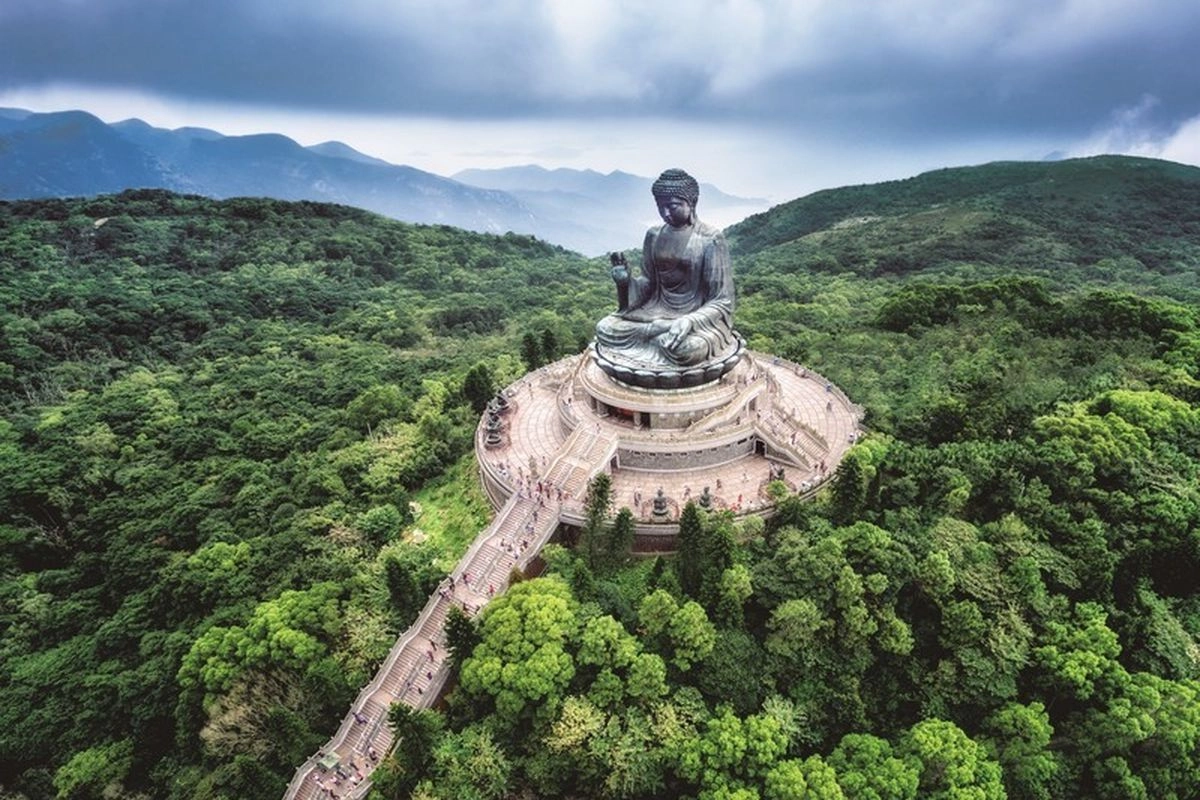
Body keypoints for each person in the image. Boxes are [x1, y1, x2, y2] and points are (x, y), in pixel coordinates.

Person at [594, 169, 739, 385]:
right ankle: (656, 335)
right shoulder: (654, 235)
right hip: (655, 313)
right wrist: (625, 283)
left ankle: (656, 337)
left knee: (686, 350)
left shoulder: (710, 239)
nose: (665, 213)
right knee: (605, 328)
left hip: (695, 320)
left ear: (692, 202)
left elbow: (722, 301)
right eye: (660, 206)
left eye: (672, 206)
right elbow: (648, 284)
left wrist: (689, 321)